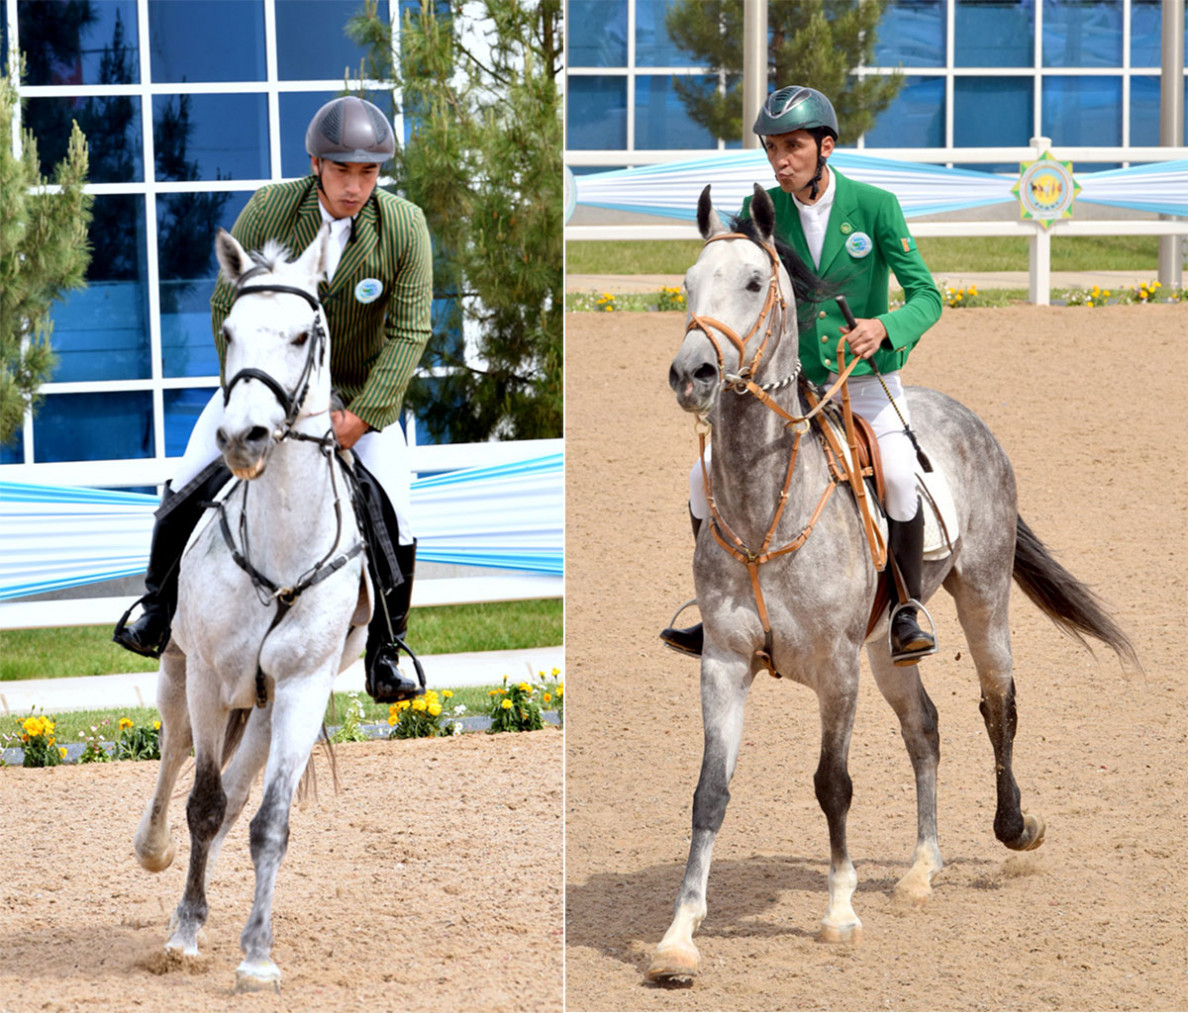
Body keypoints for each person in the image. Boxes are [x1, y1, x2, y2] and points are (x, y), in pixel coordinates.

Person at [113, 95, 434, 702]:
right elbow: (223, 304)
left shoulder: (404, 226)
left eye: (368, 172)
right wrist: (248, 393)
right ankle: (156, 609)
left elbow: (410, 331)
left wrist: (362, 417)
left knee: (396, 508)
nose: (355, 186)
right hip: (262, 386)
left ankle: (387, 650)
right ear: (316, 164)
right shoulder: (270, 208)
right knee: (188, 480)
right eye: (342, 170)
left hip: (357, 396)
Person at [660, 84, 944, 666]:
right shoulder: (763, 214)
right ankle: (716, 607)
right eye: (772, 149)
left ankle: (906, 610)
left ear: (826, 147)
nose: (780, 161)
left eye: (793, 146)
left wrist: (884, 327)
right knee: (699, 477)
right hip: (791, 390)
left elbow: (928, 296)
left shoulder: (876, 206)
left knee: (896, 475)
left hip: (864, 384)